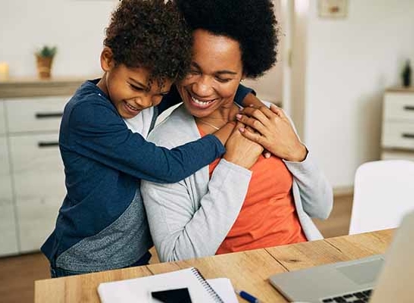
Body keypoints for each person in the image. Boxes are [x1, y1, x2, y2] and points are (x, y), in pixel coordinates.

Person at [41, 0, 258, 277]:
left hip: (134, 256)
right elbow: (166, 167)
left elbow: (205, 86)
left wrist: (252, 101)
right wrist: (230, 129)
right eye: (137, 87)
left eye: (159, 93)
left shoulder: (149, 85)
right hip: (86, 260)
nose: (145, 101)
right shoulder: (88, 113)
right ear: (108, 60)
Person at [141, 0, 333, 262]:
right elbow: (176, 258)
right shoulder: (164, 148)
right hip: (239, 280)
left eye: (222, 78)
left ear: (245, 73)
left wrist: (297, 153)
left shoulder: (269, 119)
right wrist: (234, 166)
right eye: (192, 70)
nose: (202, 89)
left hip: (306, 264)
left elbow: (322, 208)